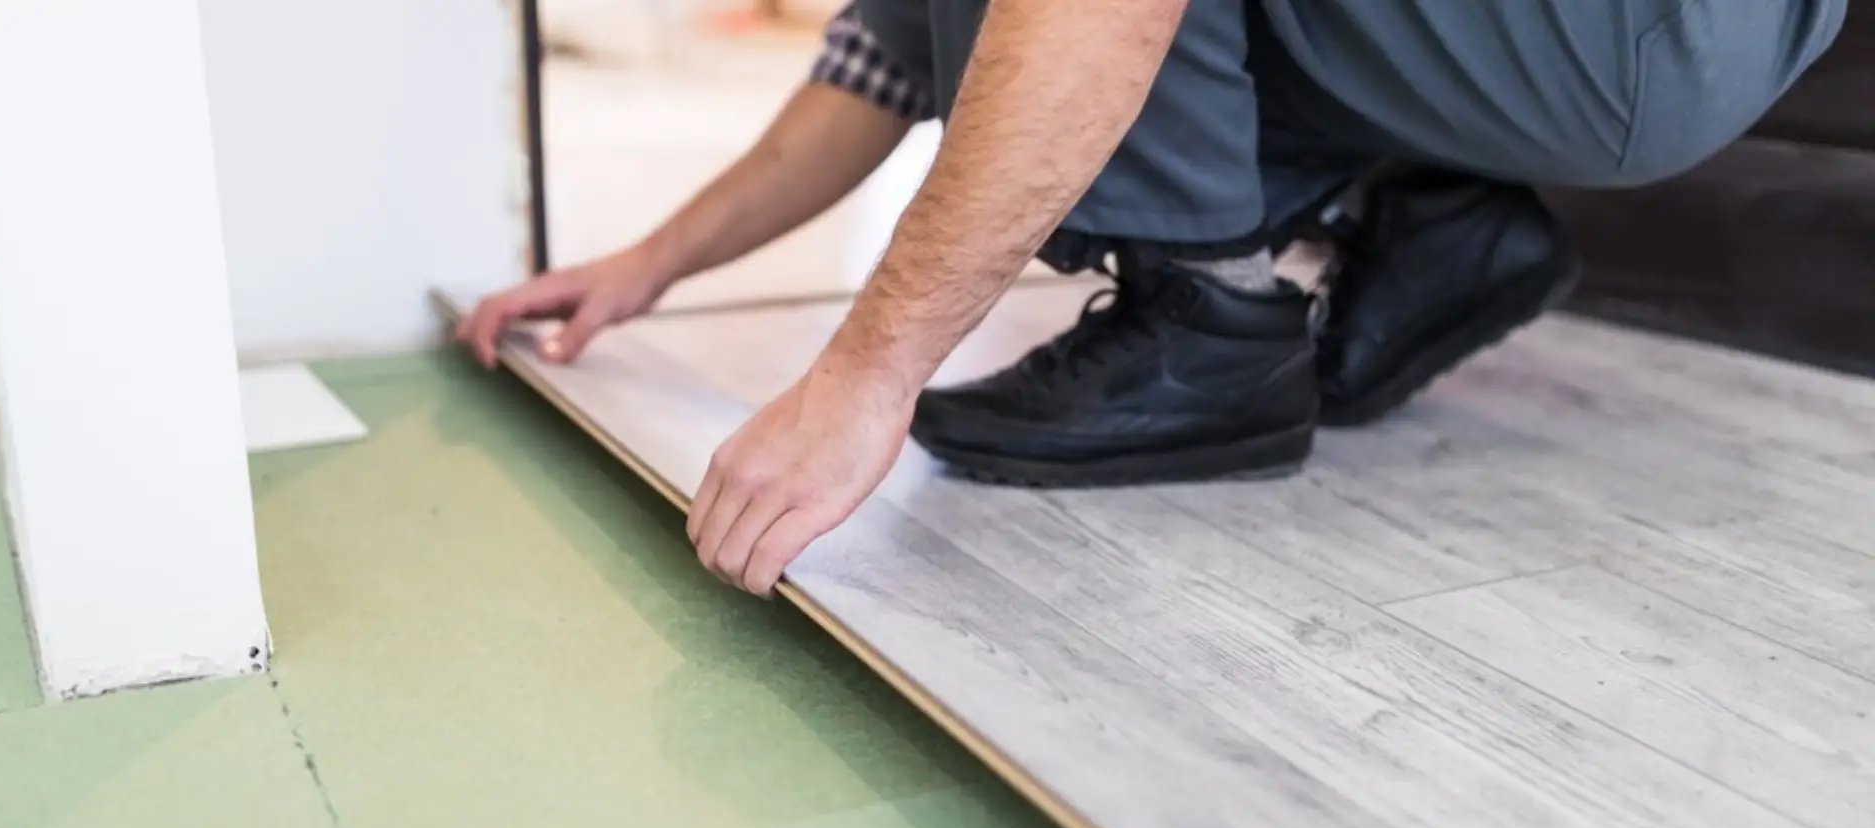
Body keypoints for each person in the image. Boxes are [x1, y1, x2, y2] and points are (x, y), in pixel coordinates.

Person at [459, 0, 1845, 597]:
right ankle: (1429, 216)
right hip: (1622, 44)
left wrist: (864, 374)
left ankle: (1216, 325)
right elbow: (884, 60)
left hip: (1643, 31)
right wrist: (648, 265)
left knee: (1049, 38)